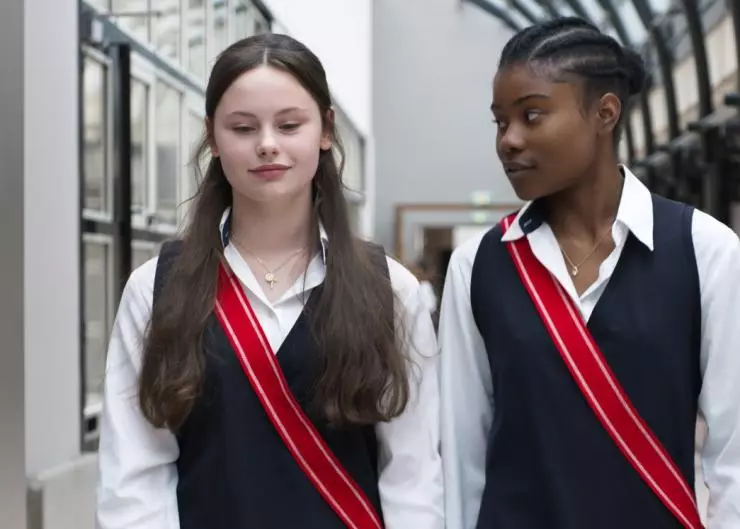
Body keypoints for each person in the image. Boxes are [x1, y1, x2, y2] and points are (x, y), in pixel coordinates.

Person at [95, 33, 443, 529]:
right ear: (212, 138)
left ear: (325, 130)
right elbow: (134, 476)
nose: (266, 144)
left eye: (289, 125)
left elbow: (413, 475)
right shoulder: (157, 289)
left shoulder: (389, 289)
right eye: (242, 127)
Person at [439, 17, 740, 529]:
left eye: (532, 115)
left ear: (605, 113)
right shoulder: (478, 266)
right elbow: (461, 457)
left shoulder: (704, 250)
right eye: (500, 122)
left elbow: (732, 453)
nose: (509, 140)